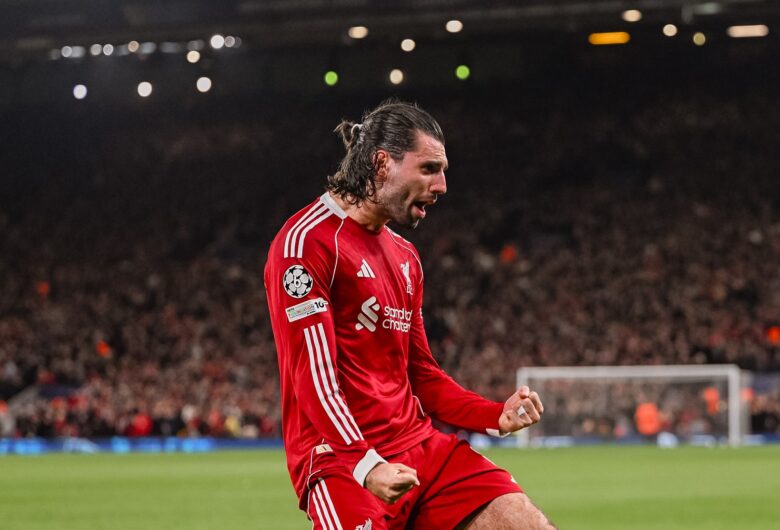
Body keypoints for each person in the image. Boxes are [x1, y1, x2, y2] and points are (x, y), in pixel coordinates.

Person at [264, 100, 555, 529]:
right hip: (340, 460)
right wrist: (366, 465)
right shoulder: (307, 243)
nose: (442, 185)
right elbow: (314, 377)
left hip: (420, 446)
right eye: (429, 169)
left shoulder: (406, 257)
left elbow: (422, 375)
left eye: (443, 171)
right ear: (382, 163)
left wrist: (495, 414)